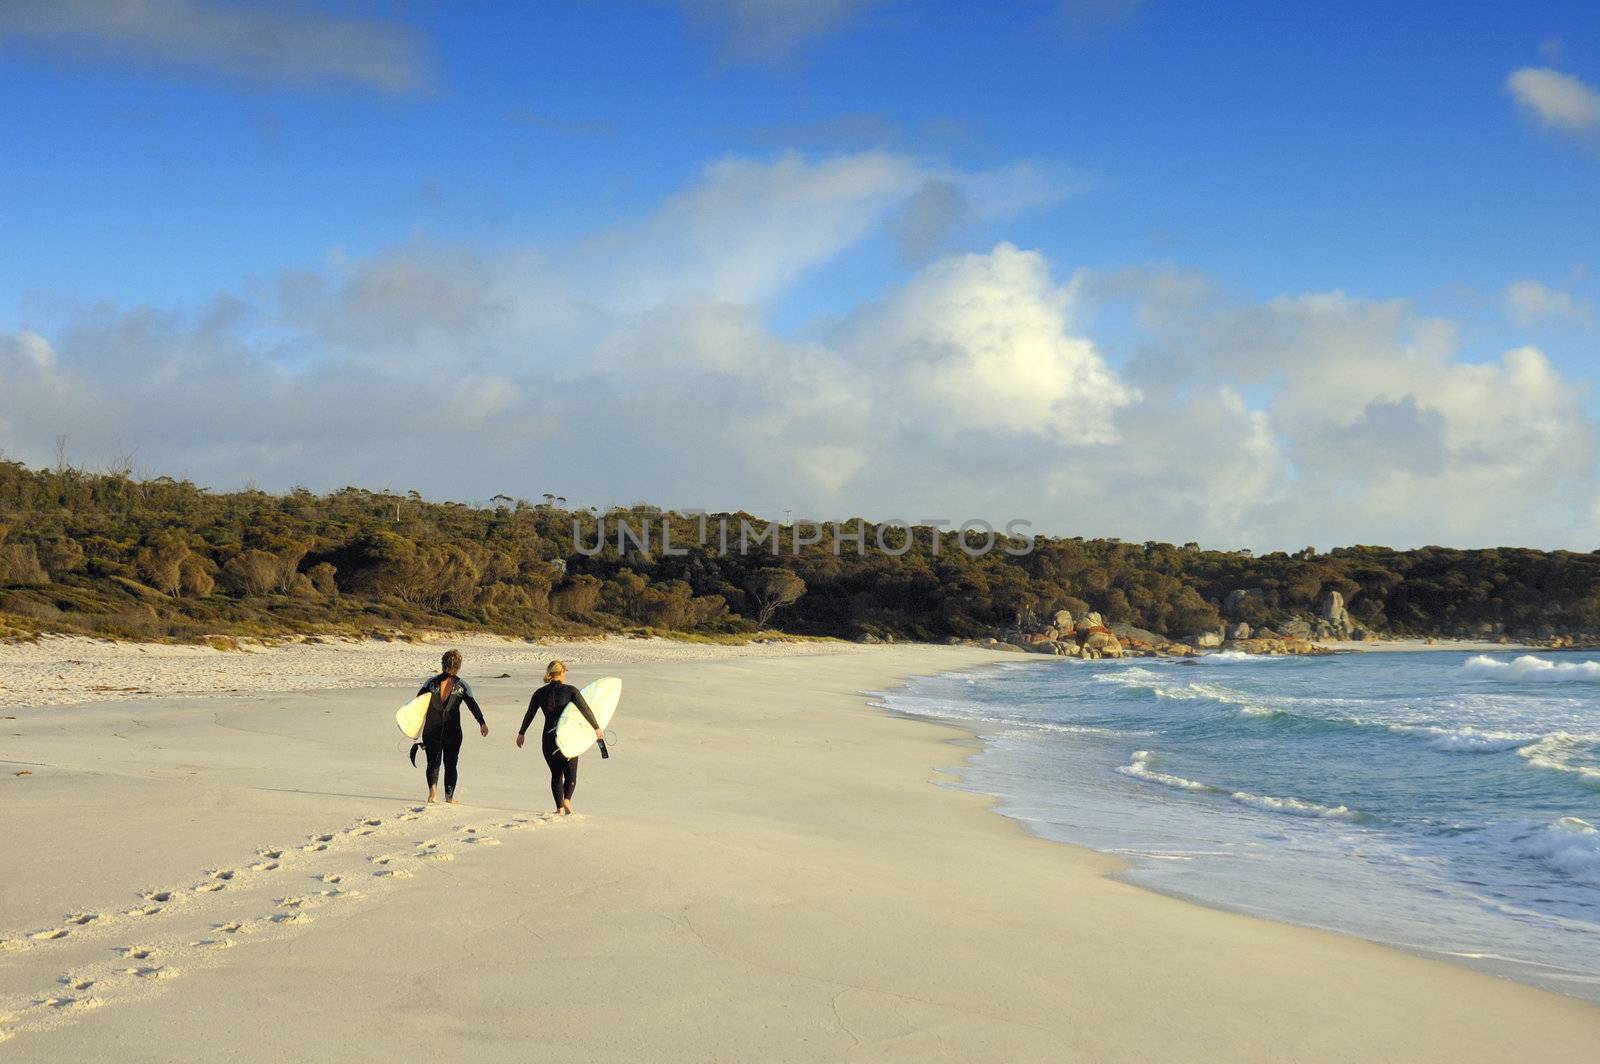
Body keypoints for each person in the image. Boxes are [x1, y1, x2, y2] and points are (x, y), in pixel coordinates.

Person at [517, 660, 602, 814]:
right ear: (561, 672)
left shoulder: (539, 693)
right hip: (568, 737)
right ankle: (567, 800)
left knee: (556, 774)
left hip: (549, 739)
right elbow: (585, 709)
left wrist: (521, 733)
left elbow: (529, 714)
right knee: (571, 774)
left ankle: (559, 808)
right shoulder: (571, 691)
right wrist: (596, 727)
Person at [413, 649, 487, 804]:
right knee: (451, 764)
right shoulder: (462, 685)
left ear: (442, 664)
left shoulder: (430, 683)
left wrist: (412, 726)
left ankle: (432, 792)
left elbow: (417, 704)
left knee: (433, 762)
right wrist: (482, 723)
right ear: (459, 666)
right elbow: (472, 705)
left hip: (431, 729)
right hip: (452, 731)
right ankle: (449, 797)